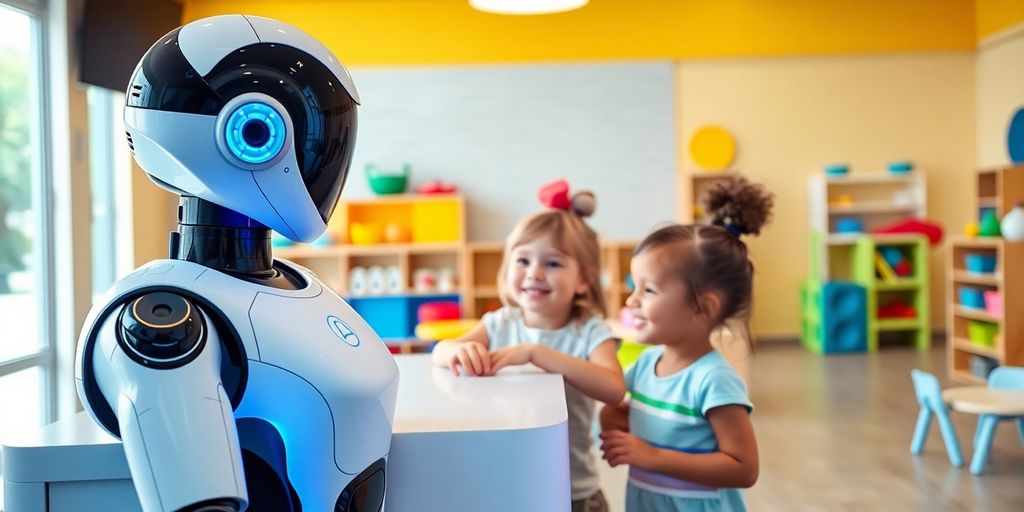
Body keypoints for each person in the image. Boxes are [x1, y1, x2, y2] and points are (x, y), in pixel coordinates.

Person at [432, 187, 625, 512]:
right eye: (523, 260)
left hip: (573, 491)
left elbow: (614, 388)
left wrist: (538, 354)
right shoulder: (500, 323)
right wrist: (454, 351)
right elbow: (440, 351)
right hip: (508, 482)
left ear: (583, 280)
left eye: (552, 263)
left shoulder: (590, 331)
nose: (534, 273)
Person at [599, 177, 772, 511]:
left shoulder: (713, 380)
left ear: (702, 307)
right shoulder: (646, 365)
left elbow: (744, 467)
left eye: (648, 290)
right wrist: (614, 417)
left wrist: (654, 457)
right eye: (635, 287)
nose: (632, 300)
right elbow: (624, 418)